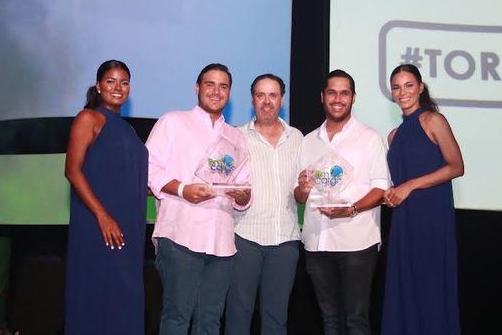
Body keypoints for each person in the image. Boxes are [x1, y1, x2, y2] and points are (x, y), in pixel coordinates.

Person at [146, 63, 252, 334]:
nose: (216, 92)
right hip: (180, 234)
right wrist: (184, 190)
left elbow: (244, 189)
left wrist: (242, 195)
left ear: (229, 93)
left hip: (221, 241)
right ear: (197, 88)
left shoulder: (236, 136)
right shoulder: (173, 121)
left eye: (223, 86)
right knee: (177, 316)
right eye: (210, 84)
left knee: (210, 320)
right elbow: (148, 168)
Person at [294, 69, 390, 335]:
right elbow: (299, 195)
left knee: (356, 320)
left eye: (344, 93)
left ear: (353, 98)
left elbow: (381, 187)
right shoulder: (309, 140)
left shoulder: (369, 138)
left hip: (357, 243)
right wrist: (302, 189)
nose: (338, 99)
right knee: (329, 320)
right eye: (332, 93)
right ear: (322, 97)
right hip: (316, 242)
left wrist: (351, 210)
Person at [64, 60, 148, 335]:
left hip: (128, 229)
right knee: (96, 296)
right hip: (99, 227)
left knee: (124, 299)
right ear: (99, 86)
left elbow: (127, 176)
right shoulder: (88, 118)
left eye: (124, 82)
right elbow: (73, 171)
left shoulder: (128, 130)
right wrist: (102, 216)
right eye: (111, 81)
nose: (118, 87)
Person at [381, 64, 464, 335]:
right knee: (406, 286)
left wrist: (409, 186)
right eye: (396, 87)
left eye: (408, 85)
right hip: (404, 221)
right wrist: (391, 194)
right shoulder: (393, 135)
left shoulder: (433, 121)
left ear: (420, 87)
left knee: (430, 286)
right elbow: (398, 181)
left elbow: (456, 166)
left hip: (431, 219)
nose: (402, 92)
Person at [225, 74, 303, 335]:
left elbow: (299, 189)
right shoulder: (235, 137)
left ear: (282, 99)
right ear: (252, 100)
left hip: (286, 240)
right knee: (238, 314)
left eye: (272, 95)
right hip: (244, 237)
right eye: (261, 95)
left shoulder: (298, 138)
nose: (267, 101)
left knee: (276, 318)